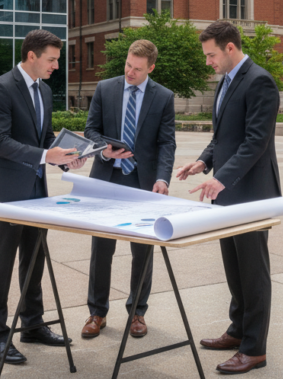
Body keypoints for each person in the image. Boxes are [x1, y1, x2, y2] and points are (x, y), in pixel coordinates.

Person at [175, 21, 281, 375]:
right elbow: (223, 138)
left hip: (251, 195)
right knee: (234, 271)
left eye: (211, 55)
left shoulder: (260, 81)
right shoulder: (227, 81)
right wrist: (204, 161)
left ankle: (254, 349)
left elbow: (255, 142)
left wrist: (220, 178)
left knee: (254, 274)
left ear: (230, 48)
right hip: (226, 193)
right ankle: (237, 331)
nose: (208, 62)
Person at [0, 29, 87, 366]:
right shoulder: (0, 88)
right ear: (32, 56)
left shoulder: (45, 90)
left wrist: (68, 155)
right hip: (6, 192)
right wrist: (45, 156)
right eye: (52, 59)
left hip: (36, 190)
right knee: (2, 264)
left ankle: (33, 325)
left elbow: (45, 137)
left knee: (34, 260)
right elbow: (0, 142)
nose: (56, 65)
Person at [80, 39, 177, 340]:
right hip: (107, 180)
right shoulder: (105, 89)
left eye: (137, 68)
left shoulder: (163, 97)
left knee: (142, 251)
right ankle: (97, 313)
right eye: (127, 65)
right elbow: (90, 130)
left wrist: (163, 178)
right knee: (102, 250)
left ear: (151, 67)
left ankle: (138, 312)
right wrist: (105, 150)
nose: (130, 73)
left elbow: (166, 142)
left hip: (143, 184)